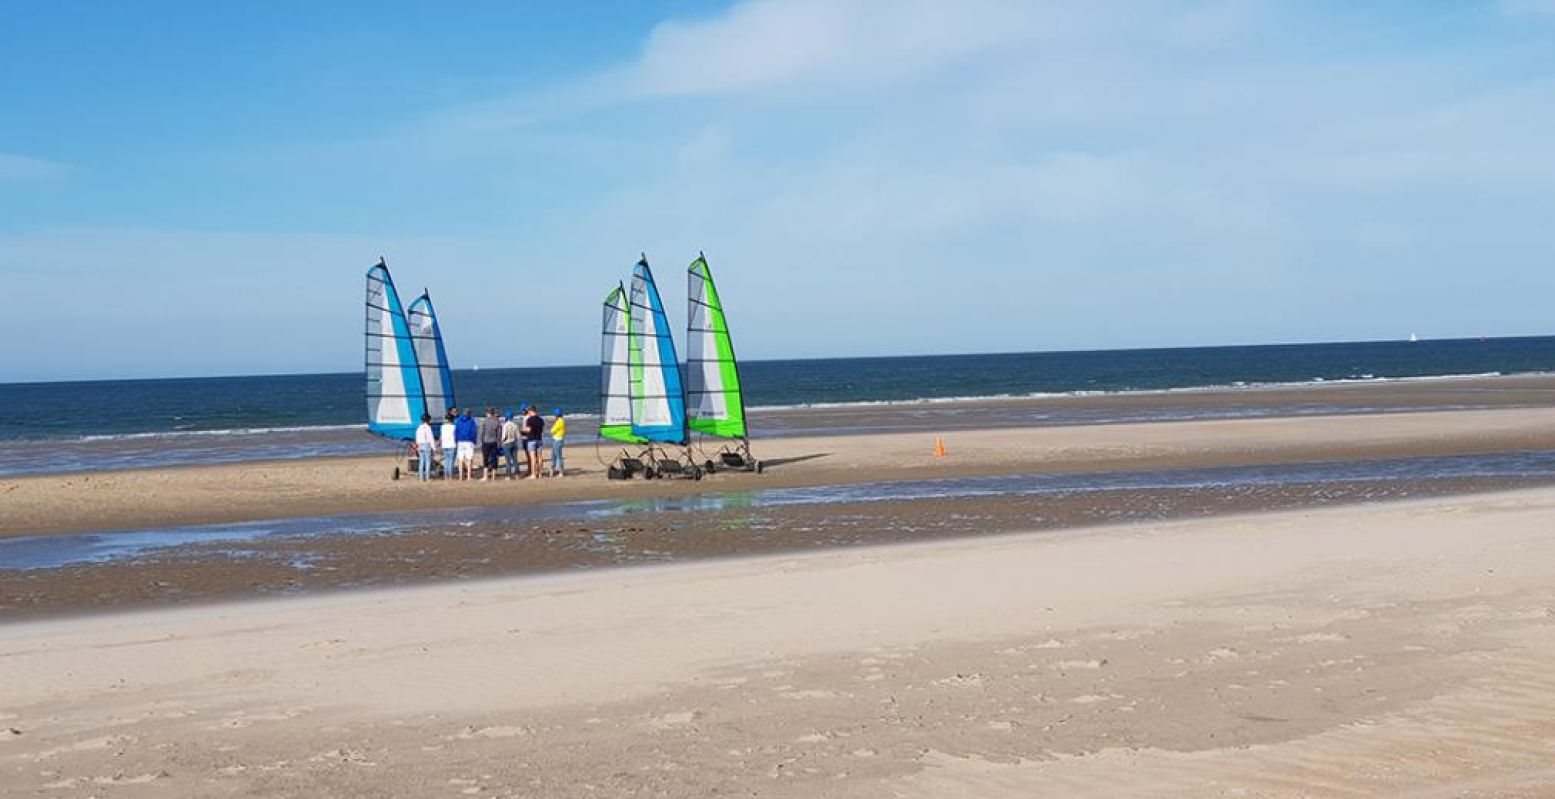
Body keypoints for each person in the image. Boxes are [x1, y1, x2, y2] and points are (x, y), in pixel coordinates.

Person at [478, 407, 502, 481]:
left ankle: (485, 476)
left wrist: (481, 441)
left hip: (486, 442)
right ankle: (493, 477)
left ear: (487, 413)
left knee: (485, 458)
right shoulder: (497, 421)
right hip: (494, 442)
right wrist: (498, 442)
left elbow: (481, 433)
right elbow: (499, 434)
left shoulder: (484, 421)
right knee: (494, 458)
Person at [454, 408, 478, 481]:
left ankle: (461, 476)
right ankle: (468, 476)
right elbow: (474, 432)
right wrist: (474, 441)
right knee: (469, 458)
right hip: (469, 441)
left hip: (460, 441)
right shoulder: (471, 421)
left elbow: (456, 431)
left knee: (460, 459)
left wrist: (456, 440)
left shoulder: (458, 421)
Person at [522, 405, 545, 480]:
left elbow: (528, 430)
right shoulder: (541, 420)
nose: (528, 413)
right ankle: (540, 473)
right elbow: (542, 430)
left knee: (533, 458)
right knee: (540, 457)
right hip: (539, 439)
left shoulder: (530, 419)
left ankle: (534, 474)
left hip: (532, 439)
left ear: (531, 411)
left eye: (528, 411)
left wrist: (523, 430)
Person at [414, 412, 436, 481]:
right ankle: (427, 477)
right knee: (428, 462)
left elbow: (417, 438)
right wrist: (434, 447)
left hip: (420, 445)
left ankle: (421, 478)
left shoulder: (419, 428)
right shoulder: (428, 427)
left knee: (421, 462)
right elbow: (431, 438)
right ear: (427, 420)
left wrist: (417, 446)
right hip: (426, 445)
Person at [500, 411, 522, 479]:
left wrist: (501, 442)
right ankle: (517, 474)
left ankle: (509, 475)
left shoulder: (505, 425)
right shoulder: (515, 425)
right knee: (515, 459)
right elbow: (518, 436)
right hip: (514, 443)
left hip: (507, 443)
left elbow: (504, 436)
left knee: (508, 460)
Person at [440, 410, 458, 481]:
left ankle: (445, 476)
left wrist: (438, 444)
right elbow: (455, 436)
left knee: (446, 462)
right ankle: (450, 477)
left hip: (444, 445)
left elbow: (441, 436)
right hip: (452, 445)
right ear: (452, 419)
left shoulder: (443, 427)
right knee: (450, 462)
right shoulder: (454, 427)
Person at [549, 407, 567, 477]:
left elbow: (552, 430)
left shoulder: (559, 421)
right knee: (553, 456)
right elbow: (565, 431)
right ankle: (552, 470)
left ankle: (561, 472)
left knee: (558, 456)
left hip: (557, 440)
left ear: (556, 415)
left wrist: (554, 425)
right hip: (557, 440)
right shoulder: (562, 421)